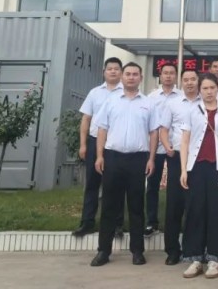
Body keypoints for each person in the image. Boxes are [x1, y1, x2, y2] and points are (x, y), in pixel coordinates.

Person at [90, 62, 158, 267]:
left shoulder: (148, 103)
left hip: (138, 159)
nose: (131, 77)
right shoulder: (110, 101)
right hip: (113, 158)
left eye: (135, 74)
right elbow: (102, 129)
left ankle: (137, 251)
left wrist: (151, 159)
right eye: (127, 74)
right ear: (122, 77)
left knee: (137, 206)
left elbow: (154, 132)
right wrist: (99, 156)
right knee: (109, 206)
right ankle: (103, 250)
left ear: (140, 78)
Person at [180, 73, 218, 279]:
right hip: (196, 167)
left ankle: (214, 258)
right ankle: (195, 258)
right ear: (200, 90)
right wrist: (183, 169)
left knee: (217, 212)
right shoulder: (192, 111)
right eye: (205, 88)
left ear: (217, 88)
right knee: (195, 211)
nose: (209, 92)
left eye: (212, 88)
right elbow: (185, 141)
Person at [74, 57, 124, 238]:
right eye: (109, 69)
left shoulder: (126, 93)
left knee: (116, 185)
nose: (113, 71)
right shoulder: (95, 93)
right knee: (92, 184)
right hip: (95, 141)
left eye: (116, 69)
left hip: (116, 144)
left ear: (121, 72)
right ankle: (87, 222)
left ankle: (117, 224)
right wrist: (83, 144)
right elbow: (86, 119)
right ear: (104, 72)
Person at [159, 69, 200, 265]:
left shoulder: (205, 102)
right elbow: (164, 129)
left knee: (196, 205)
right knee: (174, 205)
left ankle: (193, 248)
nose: (190, 83)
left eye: (193, 79)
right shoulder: (173, 103)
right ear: (181, 82)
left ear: (198, 81)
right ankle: (172, 250)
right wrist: (167, 146)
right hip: (176, 157)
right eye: (186, 79)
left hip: (198, 160)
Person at [146, 62, 181, 237]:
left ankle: (174, 223)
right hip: (155, 147)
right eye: (165, 73)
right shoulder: (151, 97)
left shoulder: (181, 96)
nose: (168, 76)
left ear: (176, 76)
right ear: (160, 76)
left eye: (171, 73)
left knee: (175, 188)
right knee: (152, 185)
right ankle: (151, 222)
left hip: (175, 148)